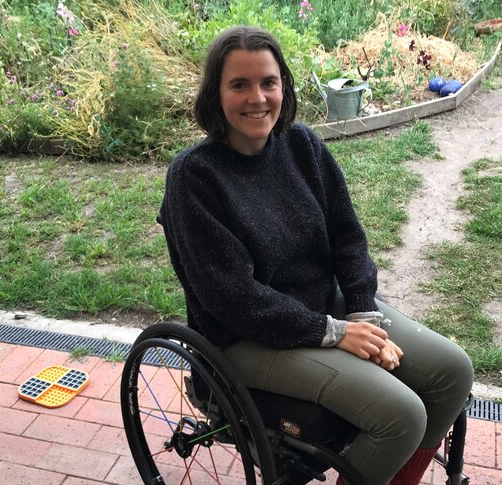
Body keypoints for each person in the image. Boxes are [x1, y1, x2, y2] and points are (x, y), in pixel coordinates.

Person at [159, 25, 473, 485]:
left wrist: (364, 310)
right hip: (244, 338)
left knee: (452, 371)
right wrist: (333, 333)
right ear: (216, 93)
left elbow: (347, 235)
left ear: (283, 85)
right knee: (400, 413)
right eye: (239, 85)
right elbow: (233, 297)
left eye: (268, 82)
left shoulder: (302, 146)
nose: (258, 98)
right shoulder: (194, 177)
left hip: (323, 308)